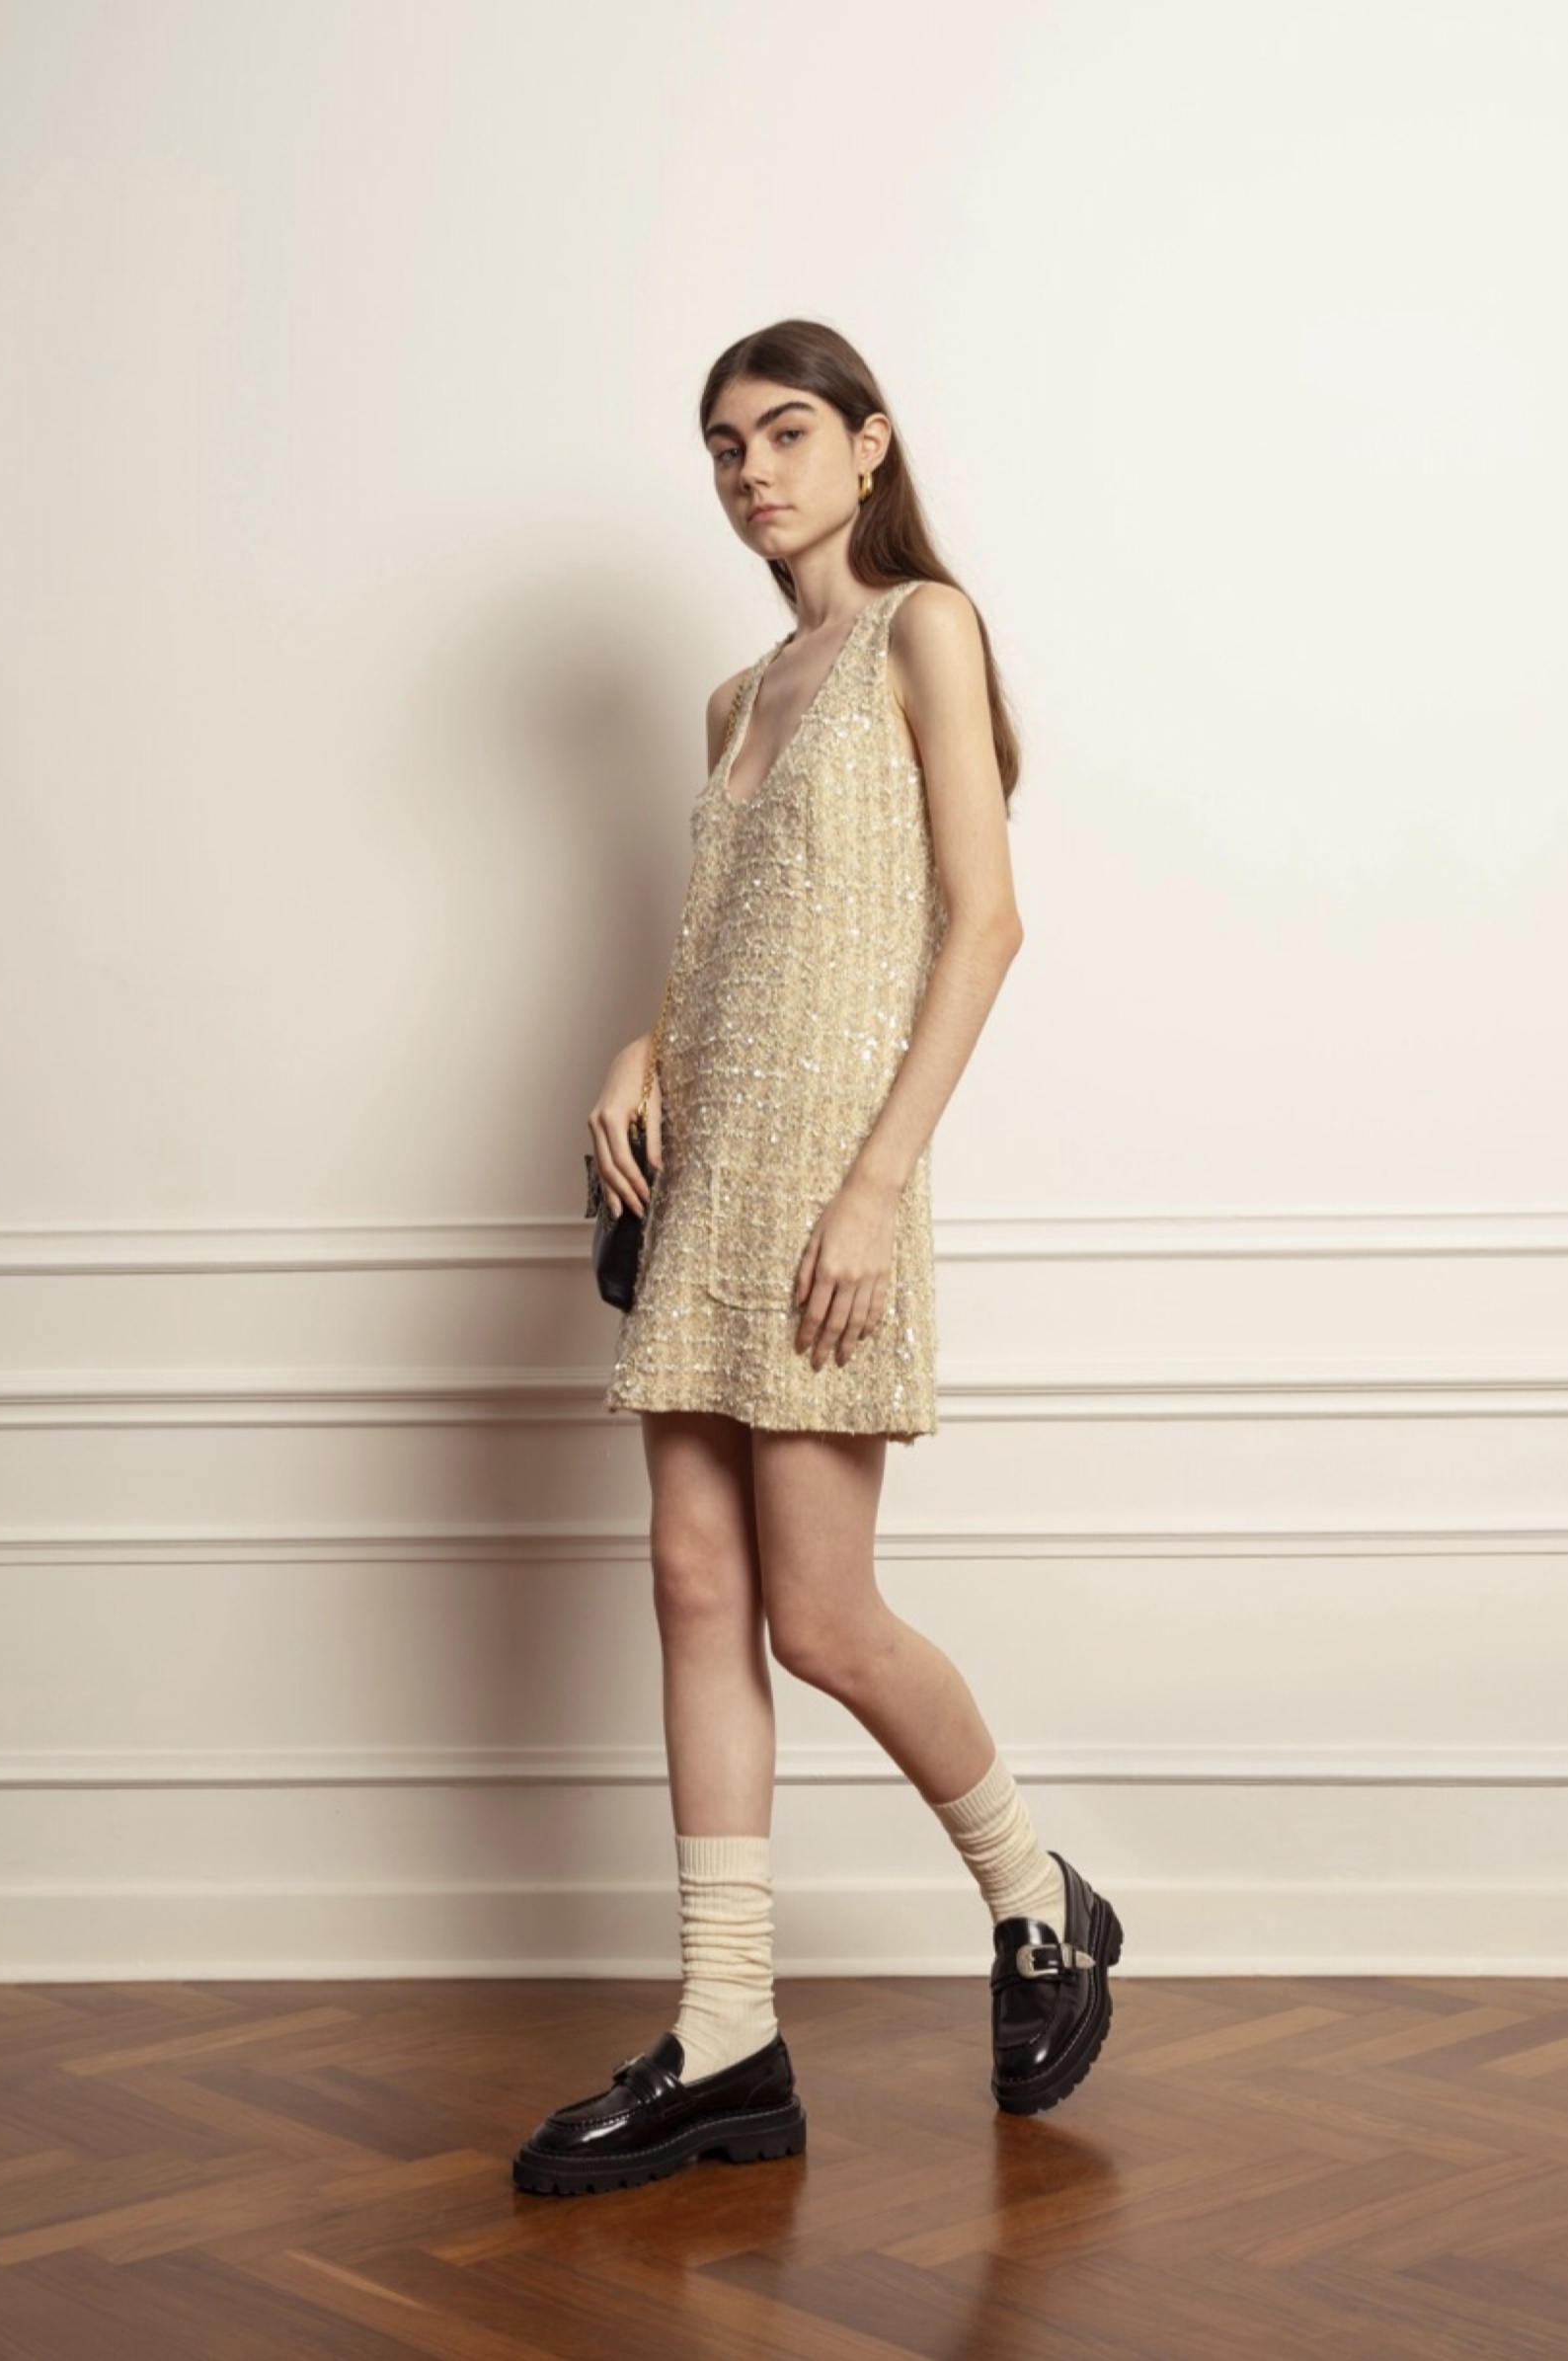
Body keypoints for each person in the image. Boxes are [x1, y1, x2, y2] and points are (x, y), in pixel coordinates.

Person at [512, 320, 1121, 2198]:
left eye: (786, 433)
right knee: (695, 1587)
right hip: (710, 1174)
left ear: (869, 447)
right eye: (722, 446)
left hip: (835, 1181)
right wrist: (641, 1044)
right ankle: (726, 2033)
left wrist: (875, 1189)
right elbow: (737, 939)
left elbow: (984, 924)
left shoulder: (925, 627)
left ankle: (1037, 1895)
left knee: (822, 1616)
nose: (751, 471)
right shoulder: (735, 697)